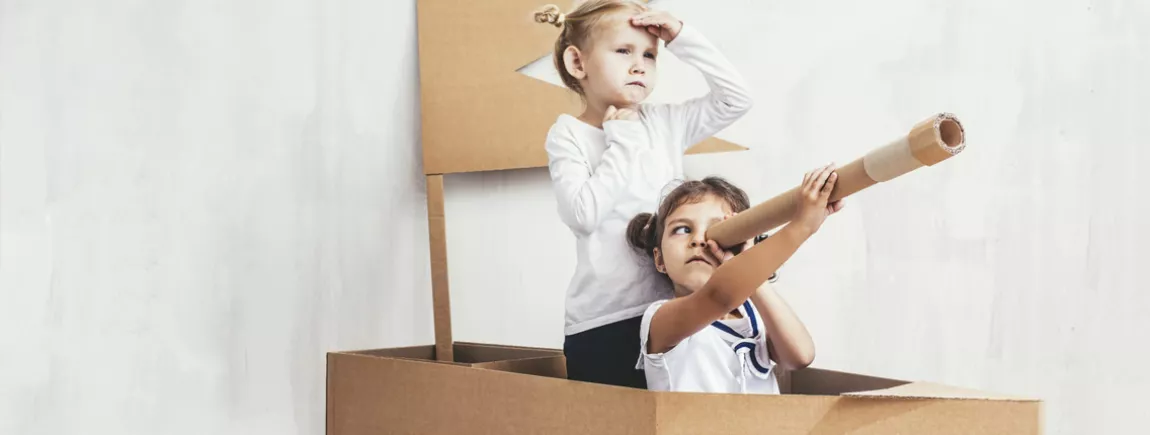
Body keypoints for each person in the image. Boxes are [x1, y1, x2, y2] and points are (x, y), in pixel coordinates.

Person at [534, 0, 754, 388]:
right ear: (577, 63)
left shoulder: (666, 122)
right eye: (623, 51)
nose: (639, 65)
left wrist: (683, 37)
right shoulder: (568, 133)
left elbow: (737, 98)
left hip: (671, 311)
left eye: (650, 55)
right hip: (604, 321)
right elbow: (583, 214)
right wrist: (621, 141)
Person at [626, 166, 844, 393]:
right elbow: (719, 296)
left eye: (717, 229)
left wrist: (750, 271)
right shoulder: (660, 320)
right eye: (682, 229)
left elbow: (801, 356)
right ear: (659, 259)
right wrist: (803, 226)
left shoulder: (756, 318)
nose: (698, 240)